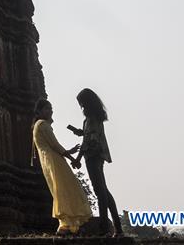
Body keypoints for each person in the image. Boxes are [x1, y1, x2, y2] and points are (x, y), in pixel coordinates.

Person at [32, 98, 93, 235]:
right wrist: (73, 159)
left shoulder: (38, 125)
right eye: (47, 108)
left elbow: (53, 146)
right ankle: (65, 224)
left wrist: (70, 153)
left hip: (49, 161)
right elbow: (55, 145)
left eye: (51, 108)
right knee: (65, 189)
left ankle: (67, 224)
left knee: (61, 190)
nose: (51, 111)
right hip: (54, 162)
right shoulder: (42, 125)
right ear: (40, 111)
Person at [70, 88, 123, 236]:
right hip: (97, 156)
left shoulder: (91, 118)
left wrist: (78, 158)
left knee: (100, 192)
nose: (81, 107)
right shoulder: (91, 118)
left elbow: (89, 141)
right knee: (104, 191)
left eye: (82, 104)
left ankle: (105, 228)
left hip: (93, 156)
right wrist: (81, 132)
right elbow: (88, 136)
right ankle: (118, 228)